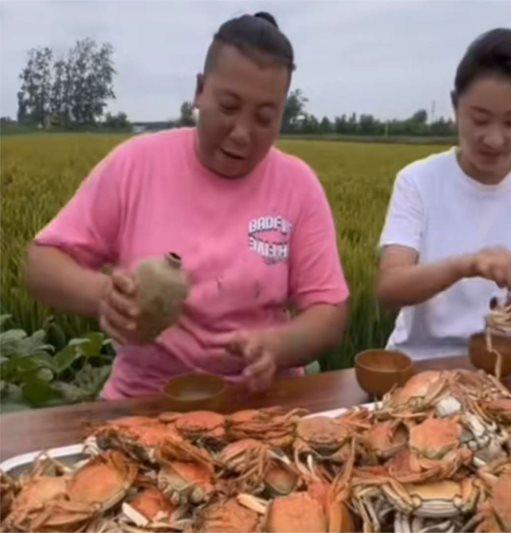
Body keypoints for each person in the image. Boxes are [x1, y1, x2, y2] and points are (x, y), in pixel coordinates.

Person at [25, 12, 349, 398]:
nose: (243, 134)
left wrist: (277, 347)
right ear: (200, 90)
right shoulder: (137, 163)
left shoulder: (298, 185)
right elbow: (40, 263)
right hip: (145, 402)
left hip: (258, 404)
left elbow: (328, 312)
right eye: (228, 107)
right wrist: (105, 297)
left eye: (265, 117)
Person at [377, 28, 511, 360]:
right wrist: (466, 264)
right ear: (455, 107)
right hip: (417, 367)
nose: (495, 139)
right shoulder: (418, 181)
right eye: (480, 119)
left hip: (502, 370)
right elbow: (388, 289)